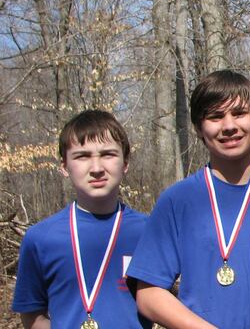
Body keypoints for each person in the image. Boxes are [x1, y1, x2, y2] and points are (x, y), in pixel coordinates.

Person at [127, 70, 250, 328]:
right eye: (215, 116)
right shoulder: (178, 200)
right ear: (198, 128)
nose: (228, 126)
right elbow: (148, 294)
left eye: (239, 113)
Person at [12, 110, 149, 328]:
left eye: (108, 154)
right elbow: (32, 314)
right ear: (64, 166)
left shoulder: (149, 232)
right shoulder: (40, 238)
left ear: (125, 163)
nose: (96, 169)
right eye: (82, 156)